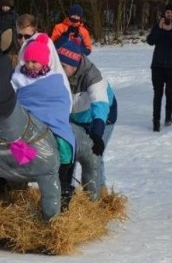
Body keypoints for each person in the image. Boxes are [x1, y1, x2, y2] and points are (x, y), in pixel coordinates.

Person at [11, 34, 76, 202]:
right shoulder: (19, 77)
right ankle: (20, 181)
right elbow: (12, 96)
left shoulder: (54, 78)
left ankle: (62, 183)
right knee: (15, 144)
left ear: (44, 62)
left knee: (64, 144)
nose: (31, 65)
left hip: (53, 120)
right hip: (27, 120)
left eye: (35, 61)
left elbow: (61, 100)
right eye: (28, 61)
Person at [57, 39, 117, 199]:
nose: (60, 70)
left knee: (94, 154)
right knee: (69, 150)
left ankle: (97, 194)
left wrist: (97, 134)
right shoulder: (59, 74)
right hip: (76, 117)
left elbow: (101, 105)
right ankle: (65, 189)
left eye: (64, 66)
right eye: (58, 65)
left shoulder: (92, 76)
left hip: (101, 118)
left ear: (75, 64)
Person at [146, 2, 172, 132]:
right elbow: (150, 40)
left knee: (170, 93)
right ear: (164, 13)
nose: (169, 15)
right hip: (157, 65)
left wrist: (170, 30)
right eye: (167, 12)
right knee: (157, 93)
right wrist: (159, 28)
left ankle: (168, 116)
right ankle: (156, 120)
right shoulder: (158, 25)